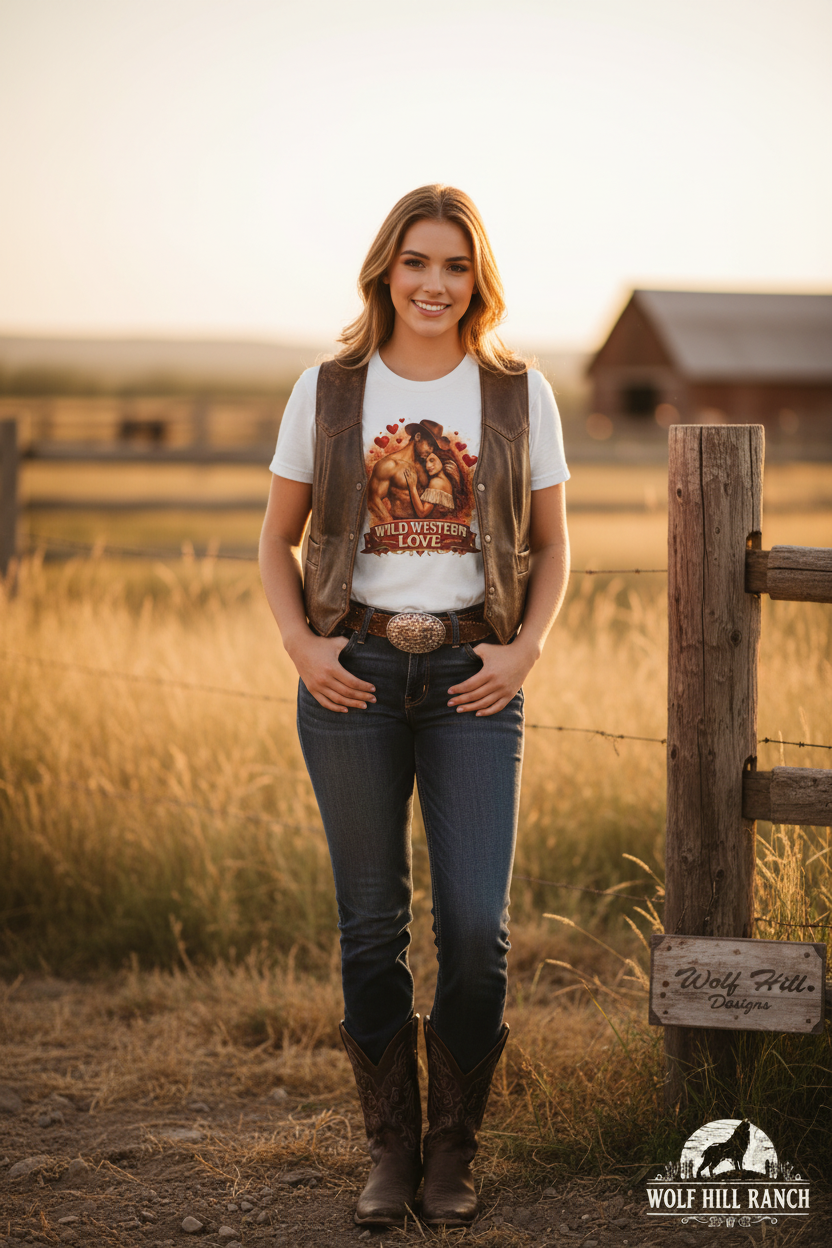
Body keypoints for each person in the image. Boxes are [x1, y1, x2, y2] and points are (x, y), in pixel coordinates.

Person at [259, 184, 570, 1228]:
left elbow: (556, 544)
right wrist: (303, 646)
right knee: (368, 928)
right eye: (415, 263)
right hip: (349, 674)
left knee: (476, 928)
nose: (433, 284)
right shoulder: (331, 390)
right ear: (384, 272)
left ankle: (453, 1152)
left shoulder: (519, 393)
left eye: (453, 266)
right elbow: (277, 539)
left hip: (472, 682)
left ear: (475, 279)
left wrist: (524, 652)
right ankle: (390, 1152)